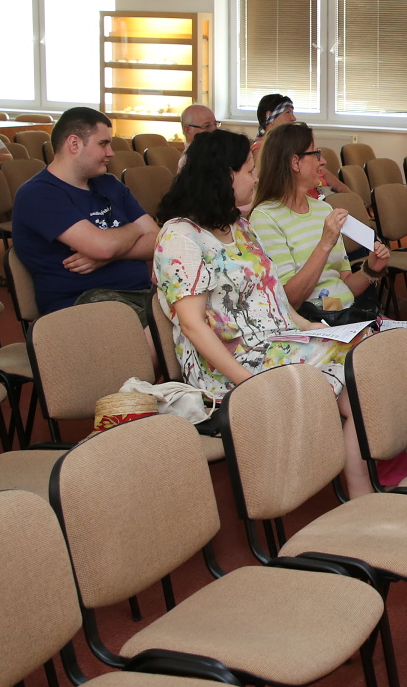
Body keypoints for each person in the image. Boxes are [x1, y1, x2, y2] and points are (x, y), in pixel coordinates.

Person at [152, 128, 375, 496]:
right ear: (225, 175)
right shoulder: (180, 237)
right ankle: (360, 488)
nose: (256, 178)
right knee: (355, 377)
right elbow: (192, 326)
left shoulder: (239, 226)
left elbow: (276, 299)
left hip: (275, 343)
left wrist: (315, 329)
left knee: (367, 351)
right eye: (249, 170)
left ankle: (362, 484)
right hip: (230, 365)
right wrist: (248, 382)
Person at [12, 106, 158, 320]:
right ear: (74, 144)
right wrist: (135, 229)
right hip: (82, 304)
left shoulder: (109, 184)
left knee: (199, 316)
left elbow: (158, 241)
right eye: (103, 144)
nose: (111, 152)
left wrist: (111, 255)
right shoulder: (38, 194)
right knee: (171, 333)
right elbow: (103, 247)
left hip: (139, 294)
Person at [247, 122, 390, 316]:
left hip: (344, 315)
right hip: (314, 322)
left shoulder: (323, 209)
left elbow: (345, 286)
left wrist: (371, 270)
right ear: (295, 163)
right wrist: (325, 244)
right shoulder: (265, 218)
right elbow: (290, 300)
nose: (323, 162)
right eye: (316, 154)